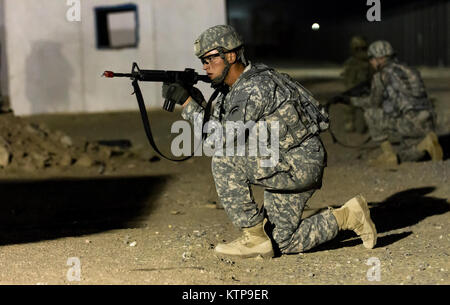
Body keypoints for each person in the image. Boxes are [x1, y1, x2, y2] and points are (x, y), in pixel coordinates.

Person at [162, 25, 376, 258]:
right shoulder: (238, 87)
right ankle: (349, 216)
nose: (205, 66)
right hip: (289, 160)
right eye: (203, 61)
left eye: (210, 59)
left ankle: (253, 238)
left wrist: (187, 104)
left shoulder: (254, 88)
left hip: (297, 164)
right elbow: (225, 129)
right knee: (281, 242)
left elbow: (219, 141)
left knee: (224, 159)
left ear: (231, 55)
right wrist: (199, 105)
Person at [350, 40, 443, 166]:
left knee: (370, 113)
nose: (371, 62)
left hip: (409, 123)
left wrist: (353, 101)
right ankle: (427, 143)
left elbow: (373, 103)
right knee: (405, 155)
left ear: (379, 59)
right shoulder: (410, 70)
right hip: (428, 122)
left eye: (371, 59)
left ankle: (388, 155)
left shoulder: (380, 76)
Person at [340, 36, 373, 133]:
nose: (359, 51)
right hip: (354, 88)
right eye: (357, 48)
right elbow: (347, 77)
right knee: (348, 104)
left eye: (361, 48)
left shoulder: (366, 61)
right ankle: (350, 122)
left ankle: (365, 124)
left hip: (364, 89)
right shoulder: (351, 62)